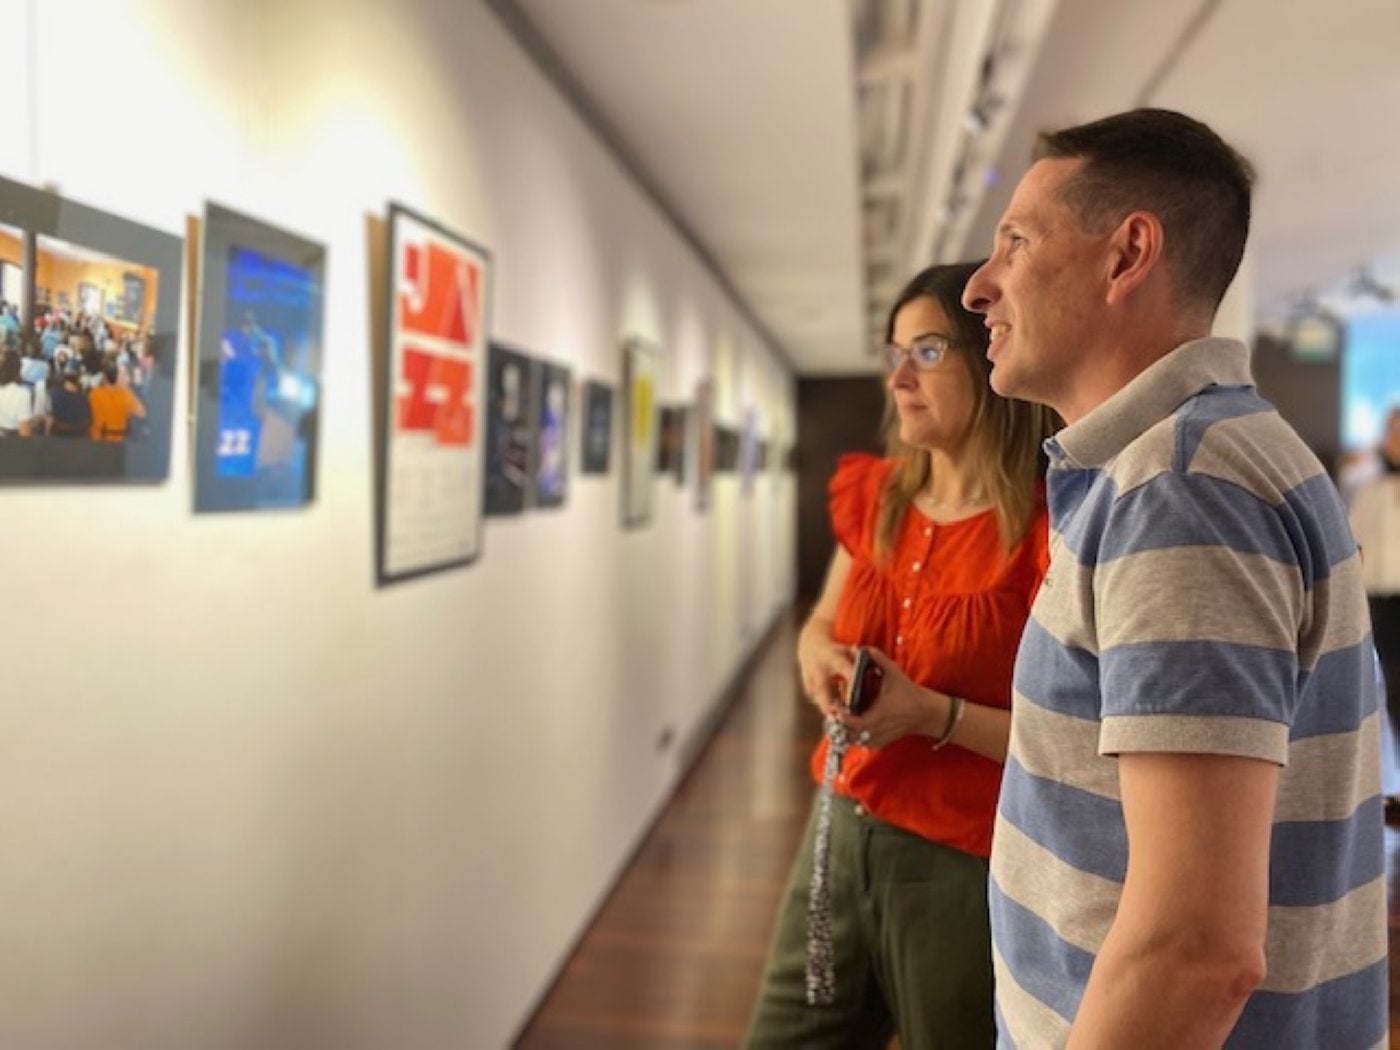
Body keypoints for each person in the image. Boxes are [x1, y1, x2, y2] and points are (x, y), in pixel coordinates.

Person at [961, 108, 1386, 1048]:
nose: (979, 289)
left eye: (1016, 243)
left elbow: (1194, 950)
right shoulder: (1210, 457)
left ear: (1127, 256)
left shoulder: (1181, 491)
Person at [746, 262, 1056, 1049]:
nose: (899, 378)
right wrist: (821, 662)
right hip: (837, 827)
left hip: (963, 861)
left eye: (926, 352)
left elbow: (1071, 743)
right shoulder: (877, 496)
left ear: (988, 356)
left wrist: (933, 715)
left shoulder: (1046, 531)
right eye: (894, 354)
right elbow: (817, 625)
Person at [1349, 405, 1400, 818]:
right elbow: (1357, 546)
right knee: (1395, 687)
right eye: (1393, 434)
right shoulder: (1370, 488)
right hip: (1382, 600)